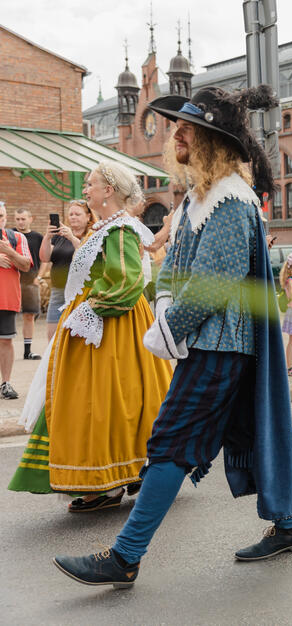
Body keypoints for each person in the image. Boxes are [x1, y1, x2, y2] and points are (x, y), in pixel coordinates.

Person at [52, 85, 292, 588]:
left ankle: (125, 556)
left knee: (170, 441)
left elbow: (214, 283)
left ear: (215, 143)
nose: (178, 135)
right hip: (205, 341)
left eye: (190, 129)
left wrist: (168, 328)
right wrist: (165, 302)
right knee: (251, 430)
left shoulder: (230, 200)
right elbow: (172, 267)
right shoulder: (197, 197)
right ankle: (290, 526)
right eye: (179, 128)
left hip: (219, 345)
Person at [9, 161, 171, 512]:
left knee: (104, 400)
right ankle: (124, 472)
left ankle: (109, 480)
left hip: (111, 325)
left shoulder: (121, 230)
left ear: (108, 191)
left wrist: (90, 309)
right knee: (102, 399)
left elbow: (127, 280)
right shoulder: (106, 227)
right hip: (99, 324)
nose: (86, 190)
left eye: (90, 184)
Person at [40, 200, 95, 340]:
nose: (73, 217)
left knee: (77, 339)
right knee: (53, 338)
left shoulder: (92, 235)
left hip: (81, 294)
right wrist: (47, 237)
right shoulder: (59, 236)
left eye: (77, 214)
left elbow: (88, 256)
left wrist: (72, 237)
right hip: (58, 292)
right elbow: (44, 258)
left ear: (88, 216)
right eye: (71, 214)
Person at [0, 204, 33, 399]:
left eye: (1, 215)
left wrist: (9, 251)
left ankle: (6, 383)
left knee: (5, 341)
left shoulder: (17, 238)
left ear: (5, 217)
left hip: (7, 298)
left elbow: (26, 265)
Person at [13, 209, 43, 360]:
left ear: (31, 219)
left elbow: (45, 259)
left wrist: (40, 277)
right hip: (12, 279)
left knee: (29, 315)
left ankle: (27, 351)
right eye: (17, 219)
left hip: (31, 280)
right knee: (5, 315)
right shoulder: (9, 235)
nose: (20, 222)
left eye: (23, 219)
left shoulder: (38, 237)